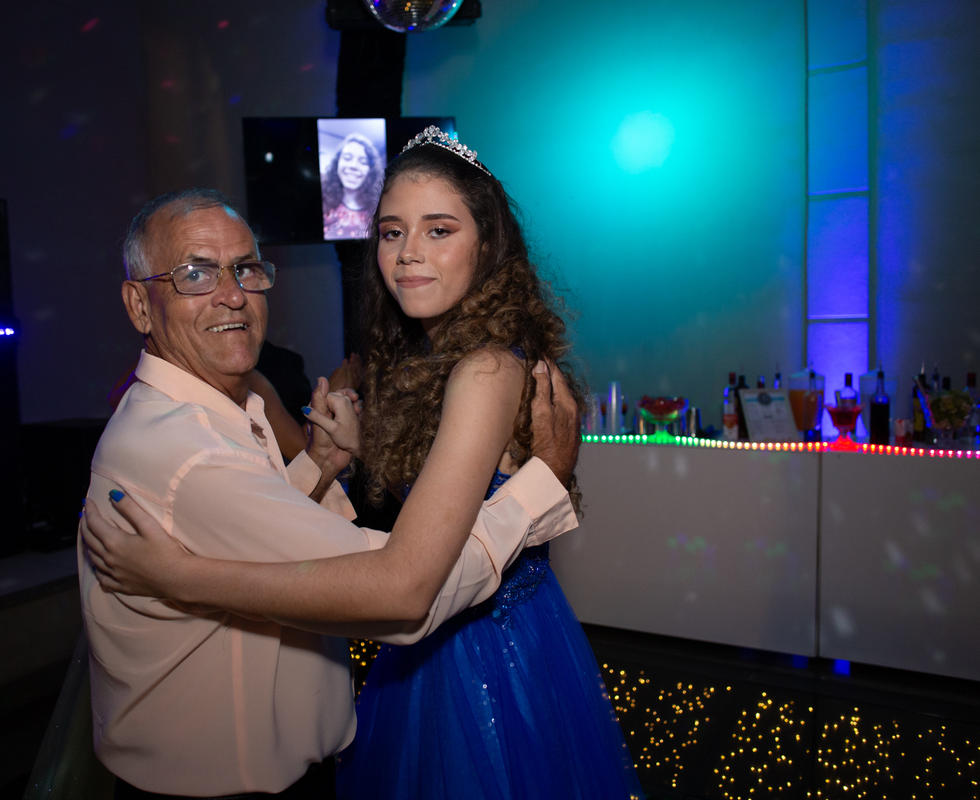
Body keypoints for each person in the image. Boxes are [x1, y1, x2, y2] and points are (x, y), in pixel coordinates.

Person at [86, 133, 644, 798]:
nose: (408, 252)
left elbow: (404, 583)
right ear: (139, 304)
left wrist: (184, 574)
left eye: (439, 230)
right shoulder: (428, 360)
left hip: (483, 648)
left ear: (488, 244)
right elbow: (392, 561)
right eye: (391, 232)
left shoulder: (482, 368)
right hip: (428, 641)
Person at [321, 133, 381, 240]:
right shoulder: (323, 202)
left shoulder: (379, 209)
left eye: (363, 162)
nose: (353, 166)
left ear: (371, 170)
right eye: (347, 158)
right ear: (337, 163)